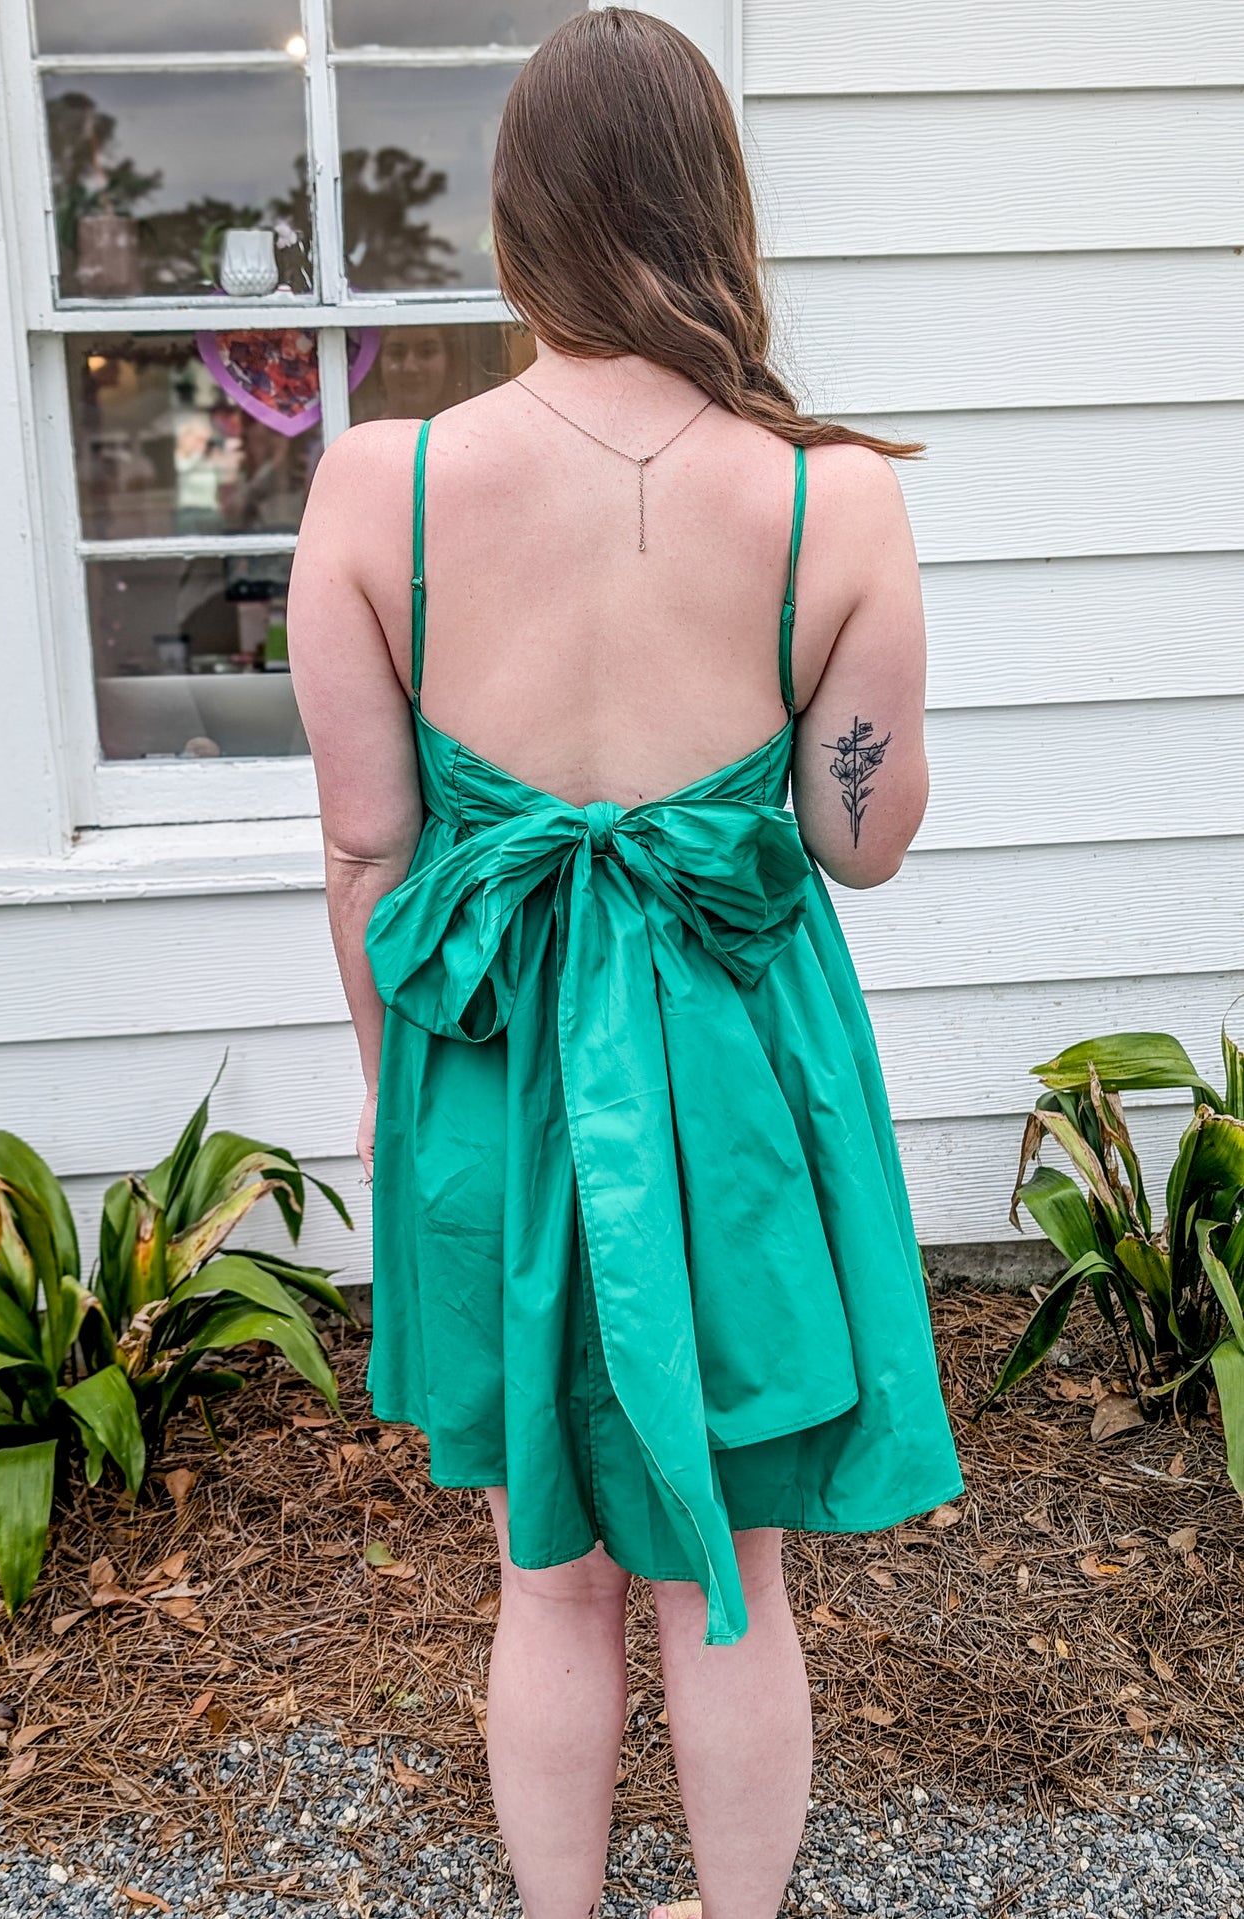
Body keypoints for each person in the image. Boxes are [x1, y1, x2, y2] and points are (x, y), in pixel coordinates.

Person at [287, 11, 963, 1917]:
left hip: (490, 1068)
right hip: (732, 1087)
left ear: (519, 221)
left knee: (544, 1571)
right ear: (716, 209)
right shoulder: (834, 497)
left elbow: (365, 845)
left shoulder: (378, 489)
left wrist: (391, 1090)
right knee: (728, 1568)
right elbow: (861, 841)